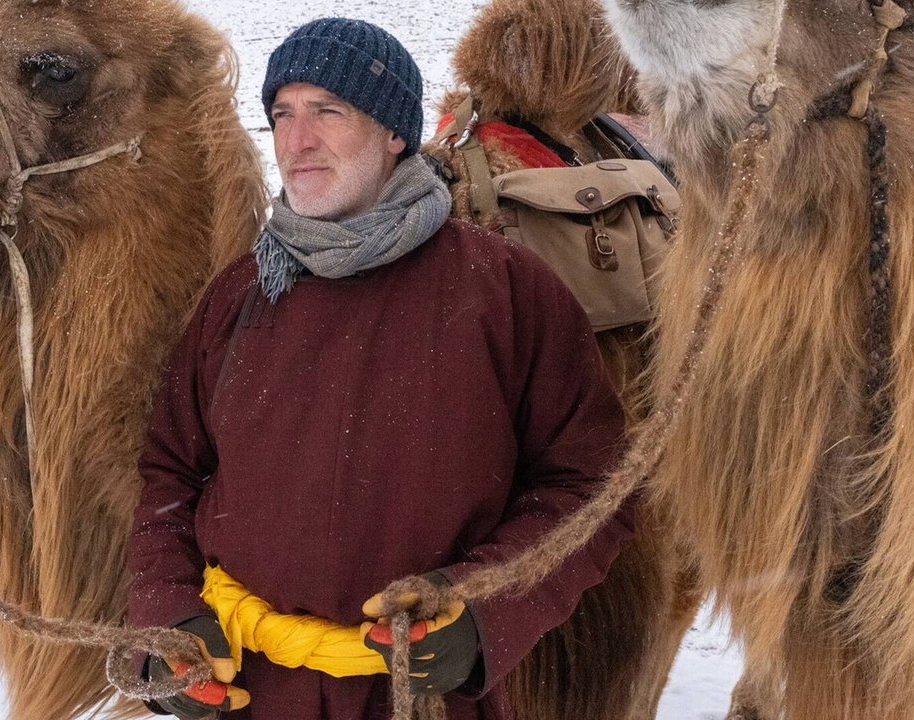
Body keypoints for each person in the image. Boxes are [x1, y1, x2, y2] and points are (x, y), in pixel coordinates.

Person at [126, 17, 633, 720]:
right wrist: (168, 613)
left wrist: (484, 613)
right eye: (282, 114)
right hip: (250, 694)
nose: (296, 141)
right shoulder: (237, 296)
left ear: (395, 132)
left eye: (328, 111)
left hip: (424, 701)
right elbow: (169, 477)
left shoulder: (509, 292)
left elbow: (591, 486)